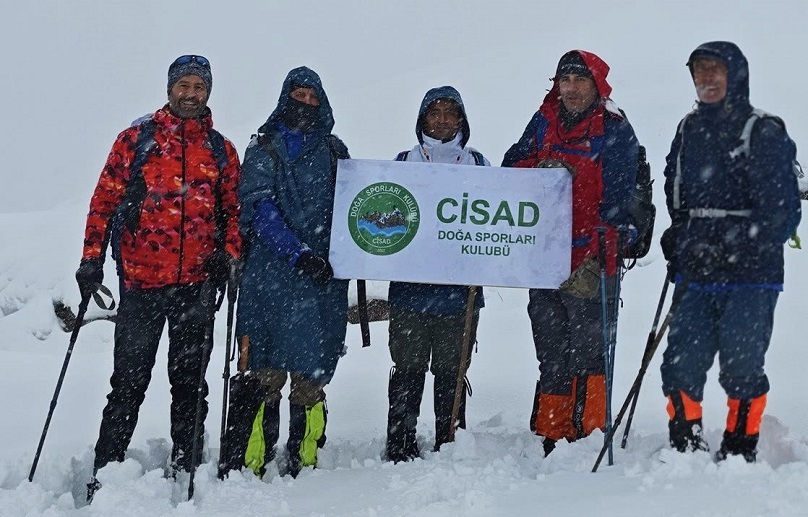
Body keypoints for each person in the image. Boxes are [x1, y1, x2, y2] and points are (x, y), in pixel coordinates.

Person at [76, 55, 241, 499]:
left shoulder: (222, 151)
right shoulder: (137, 139)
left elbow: (234, 213)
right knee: (128, 382)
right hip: (141, 282)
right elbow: (103, 203)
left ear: (209, 92)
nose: (191, 94)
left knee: (190, 383)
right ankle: (106, 471)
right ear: (170, 88)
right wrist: (91, 260)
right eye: (184, 85)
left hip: (196, 286)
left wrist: (228, 255)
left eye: (199, 87)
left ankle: (188, 467)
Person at [659, 41, 801, 462]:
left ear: (735, 75)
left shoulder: (763, 131)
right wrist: (680, 235)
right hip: (697, 269)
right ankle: (684, 442)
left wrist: (731, 243)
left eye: (714, 71)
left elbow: (783, 214)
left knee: (741, 364)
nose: (706, 79)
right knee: (681, 361)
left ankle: (740, 447)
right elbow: (676, 192)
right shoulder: (688, 129)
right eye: (699, 71)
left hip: (750, 275)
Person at [502, 50, 638, 456]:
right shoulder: (543, 120)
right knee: (552, 351)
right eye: (566, 81)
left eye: (581, 81)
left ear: (597, 86)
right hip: (544, 257)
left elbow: (619, 202)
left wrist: (598, 260)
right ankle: (552, 430)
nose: (573, 89)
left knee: (590, 352)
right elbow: (512, 165)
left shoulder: (615, 130)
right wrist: (540, 168)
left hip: (592, 261)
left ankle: (590, 433)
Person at [235, 66, 350, 477]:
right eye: (298, 96)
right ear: (285, 98)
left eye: (311, 97)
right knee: (263, 372)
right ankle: (254, 458)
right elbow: (259, 206)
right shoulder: (263, 149)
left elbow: (356, 209)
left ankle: (305, 454)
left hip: (320, 282)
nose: (304, 104)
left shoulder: (336, 152)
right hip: (270, 278)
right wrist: (297, 253)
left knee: (311, 373)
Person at [385, 86, 489, 463]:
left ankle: (450, 438)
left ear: (462, 120)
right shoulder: (401, 161)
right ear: (422, 119)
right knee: (408, 368)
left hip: (459, 294)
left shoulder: (478, 163)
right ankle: (399, 441)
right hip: (410, 291)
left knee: (452, 369)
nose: (442, 119)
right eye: (435, 112)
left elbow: (495, 222)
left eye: (451, 112)